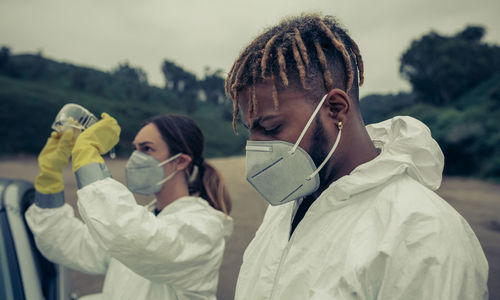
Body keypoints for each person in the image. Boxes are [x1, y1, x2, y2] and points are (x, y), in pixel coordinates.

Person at [225, 13, 488, 299]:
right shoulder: (285, 207)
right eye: (251, 130)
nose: (256, 146)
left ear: (336, 109)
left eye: (271, 127)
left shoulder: (424, 234)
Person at [25, 113, 233, 299]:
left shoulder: (203, 227)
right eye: (135, 149)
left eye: (147, 149)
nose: (136, 158)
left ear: (180, 162)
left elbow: (133, 236)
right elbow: (69, 243)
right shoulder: (146, 220)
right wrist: (49, 180)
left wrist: (88, 161)